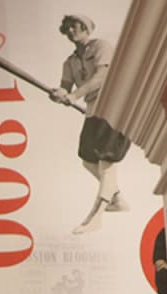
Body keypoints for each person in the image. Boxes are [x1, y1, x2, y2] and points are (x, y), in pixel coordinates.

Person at [51, 14, 131, 234]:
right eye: (67, 27)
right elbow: (65, 85)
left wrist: (74, 95)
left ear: (86, 28)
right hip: (93, 110)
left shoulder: (101, 47)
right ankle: (116, 198)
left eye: (75, 26)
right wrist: (60, 93)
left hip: (113, 103)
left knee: (107, 158)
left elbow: (101, 78)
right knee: (88, 159)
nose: (71, 30)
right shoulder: (69, 62)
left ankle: (96, 216)